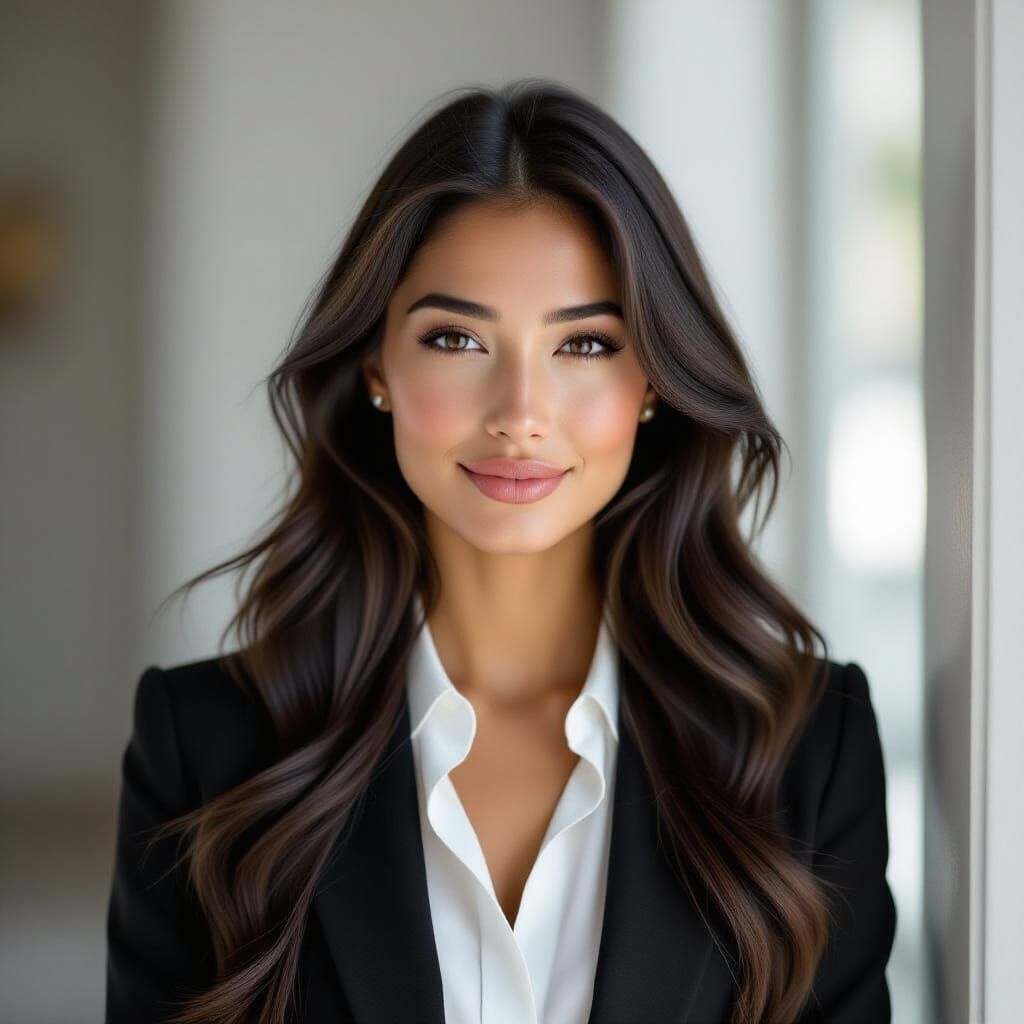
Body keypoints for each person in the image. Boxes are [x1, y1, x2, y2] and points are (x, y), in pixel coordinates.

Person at [105, 78, 897, 1024]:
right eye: (456, 337)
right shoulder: (203, 750)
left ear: (654, 380)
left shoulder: (810, 747)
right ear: (376, 369)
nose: (521, 413)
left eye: (586, 346)